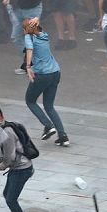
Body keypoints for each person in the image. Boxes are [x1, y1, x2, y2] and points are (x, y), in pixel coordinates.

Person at [22, 18, 69, 147]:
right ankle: (63, 136)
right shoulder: (44, 35)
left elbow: (30, 50)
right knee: (49, 105)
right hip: (55, 73)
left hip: (42, 74)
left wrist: (28, 66)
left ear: (26, 30)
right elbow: (38, 22)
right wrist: (36, 20)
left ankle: (48, 126)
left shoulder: (29, 38)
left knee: (30, 100)